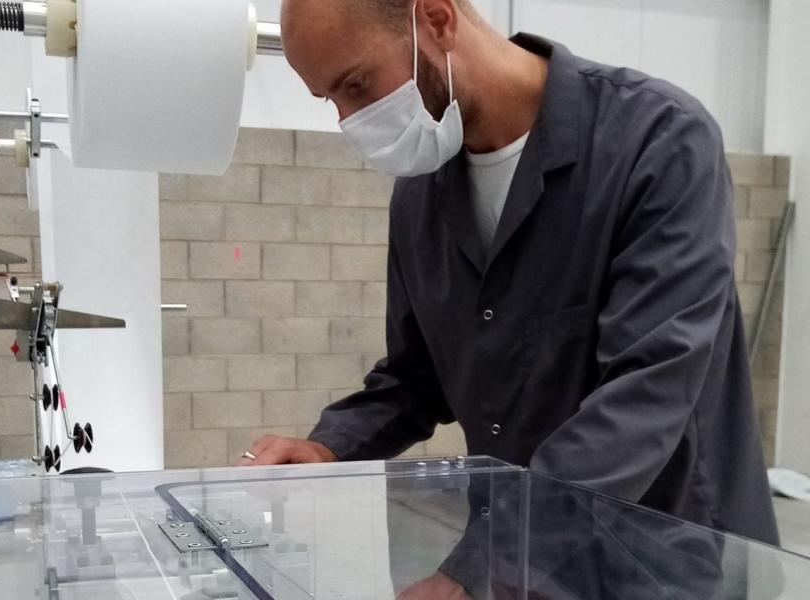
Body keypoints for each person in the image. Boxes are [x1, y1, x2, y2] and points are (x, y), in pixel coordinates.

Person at [241, 1, 779, 593]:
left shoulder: (657, 141)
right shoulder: (421, 197)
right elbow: (416, 378)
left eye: (358, 84)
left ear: (438, 19)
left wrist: (480, 569)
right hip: (529, 572)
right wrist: (328, 446)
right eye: (330, 100)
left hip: (664, 565)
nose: (350, 119)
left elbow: (646, 394)